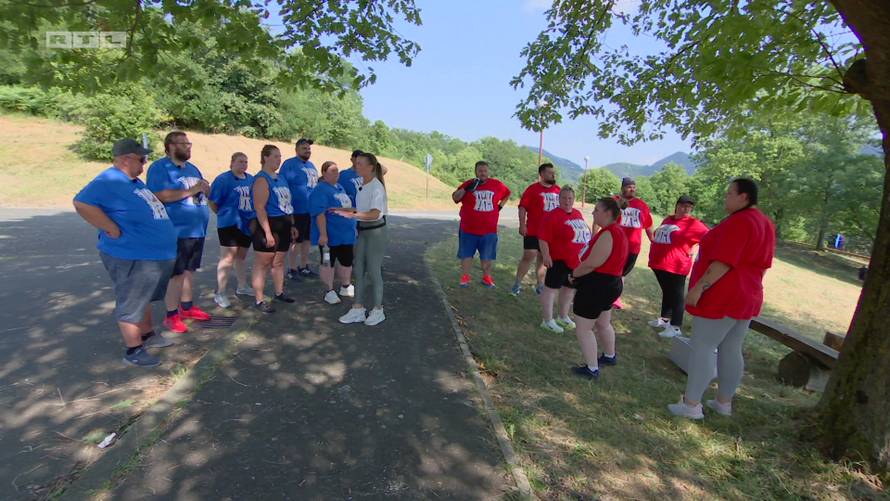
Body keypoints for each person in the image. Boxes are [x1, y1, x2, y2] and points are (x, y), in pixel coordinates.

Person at [667, 178, 775, 419]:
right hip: (748, 294)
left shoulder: (740, 222)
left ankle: (691, 404)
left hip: (724, 295)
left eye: (729, 194)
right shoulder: (765, 223)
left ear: (744, 197)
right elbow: (764, 264)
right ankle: (723, 402)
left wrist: (698, 289)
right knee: (731, 348)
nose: (725, 197)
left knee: (703, 347)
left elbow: (724, 261)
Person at [73, 139, 178, 367]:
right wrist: (109, 227)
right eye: (142, 159)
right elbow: (82, 203)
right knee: (132, 301)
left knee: (145, 297)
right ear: (126, 159)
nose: (145, 162)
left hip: (152, 256)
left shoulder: (134, 182)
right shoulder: (109, 179)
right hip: (132, 254)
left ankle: (147, 334)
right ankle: (133, 350)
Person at [147, 131, 212, 334]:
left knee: (189, 271)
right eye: (184, 143)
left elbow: (203, 191)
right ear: (171, 146)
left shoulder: (192, 168)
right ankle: (171, 315)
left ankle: (187, 306)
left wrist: (205, 188)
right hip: (176, 230)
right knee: (175, 274)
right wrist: (190, 191)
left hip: (196, 229)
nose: (189, 146)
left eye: (189, 143)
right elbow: (157, 195)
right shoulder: (160, 168)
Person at [569, 197, 629, 379]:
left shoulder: (609, 233)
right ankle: (610, 356)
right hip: (611, 283)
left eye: (596, 210)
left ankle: (592, 368)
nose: (593, 213)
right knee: (603, 323)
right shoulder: (618, 231)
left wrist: (574, 274)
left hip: (598, 285)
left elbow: (592, 263)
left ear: (608, 213)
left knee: (584, 328)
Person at [332, 152, 389, 326]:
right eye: (356, 163)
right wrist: (347, 210)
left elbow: (374, 214)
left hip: (376, 232)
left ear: (370, 167)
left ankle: (378, 309)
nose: (357, 166)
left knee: (373, 270)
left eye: (360, 164)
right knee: (359, 269)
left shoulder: (376, 187)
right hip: (363, 231)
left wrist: (352, 215)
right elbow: (361, 209)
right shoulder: (362, 186)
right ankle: (358, 308)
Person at [647, 195, 709, 338]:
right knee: (668, 292)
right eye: (682, 206)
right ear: (677, 206)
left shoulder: (694, 224)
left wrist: (695, 247)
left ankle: (675, 327)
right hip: (659, 264)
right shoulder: (668, 219)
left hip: (676, 265)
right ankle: (664, 320)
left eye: (689, 207)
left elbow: (709, 237)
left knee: (676, 296)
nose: (685, 209)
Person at [250, 145, 298, 313]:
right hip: (269, 225)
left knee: (278, 262)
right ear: (265, 157)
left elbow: (287, 204)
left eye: (280, 156)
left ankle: (279, 292)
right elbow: (260, 208)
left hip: (284, 224)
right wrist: (268, 233)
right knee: (262, 264)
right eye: (275, 156)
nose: (279, 159)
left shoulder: (281, 178)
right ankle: (259, 299)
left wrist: (292, 225)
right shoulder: (262, 179)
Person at [538, 186, 590, 333]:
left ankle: (563, 316)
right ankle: (547, 320)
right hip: (558, 259)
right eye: (564, 198)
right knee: (551, 289)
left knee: (568, 289)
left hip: (575, 261)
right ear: (559, 199)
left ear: (574, 199)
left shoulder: (577, 213)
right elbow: (543, 238)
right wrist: (546, 255)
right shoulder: (552, 215)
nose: (567, 201)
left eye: (570, 198)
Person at [452, 160, 511, 288]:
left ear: (488, 171)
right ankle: (465, 277)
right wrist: (467, 188)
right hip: (468, 228)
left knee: (487, 256)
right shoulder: (469, 183)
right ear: (476, 172)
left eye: (485, 170)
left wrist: (499, 207)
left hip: (489, 230)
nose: (483, 173)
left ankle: (486, 277)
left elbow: (507, 194)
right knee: (466, 254)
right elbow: (455, 198)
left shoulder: (496, 184)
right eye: (480, 171)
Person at [208, 152, 255, 308]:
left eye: (246, 162)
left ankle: (242, 286)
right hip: (229, 223)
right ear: (232, 163)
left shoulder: (251, 179)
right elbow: (213, 202)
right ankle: (220, 292)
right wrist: (223, 214)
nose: (243, 164)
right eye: (240, 161)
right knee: (227, 258)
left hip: (246, 223)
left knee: (241, 256)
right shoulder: (223, 179)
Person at [309, 161, 356, 304]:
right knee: (327, 262)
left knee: (346, 261)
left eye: (337, 170)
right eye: (332, 171)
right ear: (324, 173)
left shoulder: (340, 188)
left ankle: (345, 285)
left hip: (346, 235)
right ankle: (329, 290)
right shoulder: (320, 190)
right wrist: (323, 234)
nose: (336, 173)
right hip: (330, 236)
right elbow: (319, 213)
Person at [511, 163, 561, 296]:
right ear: (542, 174)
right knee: (529, 255)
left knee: (543, 257)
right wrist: (522, 224)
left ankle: (540, 285)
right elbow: (522, 207)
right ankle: (517, 284)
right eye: (550, 172)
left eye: (553, 172)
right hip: (534, 230)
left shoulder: (558, 190)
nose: (552, 174)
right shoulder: (533, 189)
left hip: (550, 233)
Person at [612, 177, 654, 309]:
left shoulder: (642, 205)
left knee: (622, 273)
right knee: (612, 270)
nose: (632, 189)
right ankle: (607, 294)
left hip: (633, 246)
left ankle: (616, 297)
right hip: (615, 243)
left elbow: (648, 225)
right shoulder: (614, 201)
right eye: (629, 186)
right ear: (622, 188)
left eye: (634, 187)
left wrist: (653, 241)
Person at [280, 138, 318, 279]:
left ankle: (304, 266)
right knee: (295, 240)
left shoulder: (312, 165)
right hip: (296, 209)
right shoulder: (289, 165)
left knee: (307, 239)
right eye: (304, 148)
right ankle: (292, 268)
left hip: (311, 210)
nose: (307, 151)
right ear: (296, 150)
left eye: (308, 149)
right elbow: (283, 186)